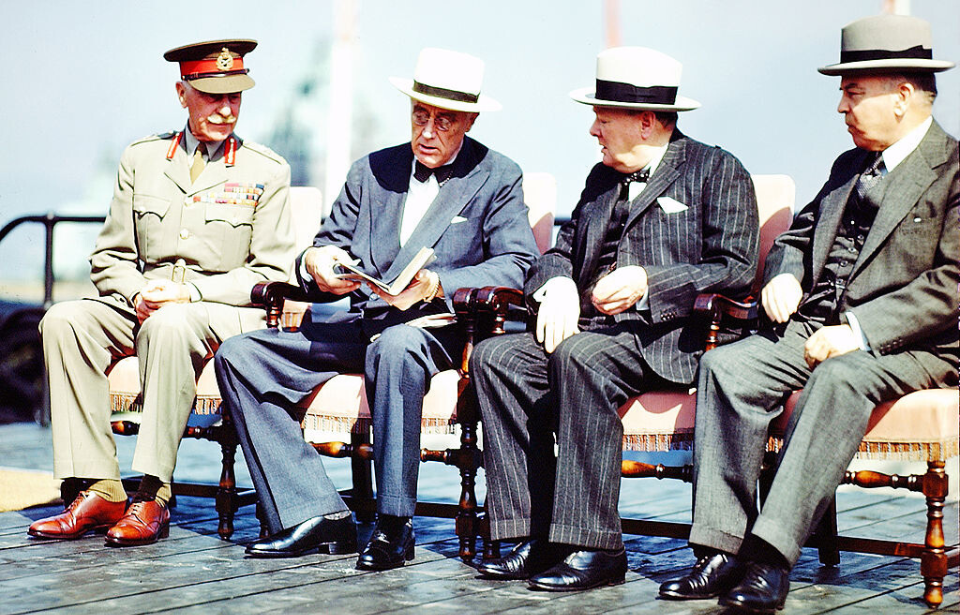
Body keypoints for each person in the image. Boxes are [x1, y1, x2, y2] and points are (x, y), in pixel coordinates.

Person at [659, 14, 958, 614]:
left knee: (838, 378)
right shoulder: (849, 166)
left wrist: (861, 332)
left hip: (911, 344)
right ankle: (720, 548)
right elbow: (797, 238)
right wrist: (785, 274)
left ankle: (769, 558)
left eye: (853, 91)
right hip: (812, 329)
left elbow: (953, 282)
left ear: (901, 95)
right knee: (726, 367)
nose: (840, 106)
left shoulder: (953, 171)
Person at [214, 47, 539, 567]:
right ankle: (312, 511)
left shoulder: (496, 175)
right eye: (419, 115)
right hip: (358, 318)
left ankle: (394, 523)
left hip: (435, 329)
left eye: (444, 121)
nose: (427, 132)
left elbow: (518, 264)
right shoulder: (371, 170)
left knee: (397, 345)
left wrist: (438, 283)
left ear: (471, 120)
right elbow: (323, 243)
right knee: (239, 355)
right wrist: (317, 262)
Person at [470, 46, 760, 592]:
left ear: (645, 122)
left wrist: (651, 283)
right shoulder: (600, 178)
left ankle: (594, 546)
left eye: (602, 118)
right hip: (592, 330)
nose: (592, 130)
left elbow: (737, 267)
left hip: (668, 339)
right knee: (496, 357)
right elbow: (561, 248)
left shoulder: (716, 170)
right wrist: (554, 283)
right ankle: (533, 534)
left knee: (581, 356)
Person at [28, 39, 295, 547]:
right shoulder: (142, 159)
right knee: (64, 320)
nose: (225, 108)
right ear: (182, 93)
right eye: (212, 95)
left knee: (169, 324)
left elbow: (271, 273)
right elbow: (108, 259)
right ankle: (99, 487)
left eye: (235, 97)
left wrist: (187, 294)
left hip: (221, 313)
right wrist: (137, 294)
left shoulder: (266, 170)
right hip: (145, 305)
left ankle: (152, 493)